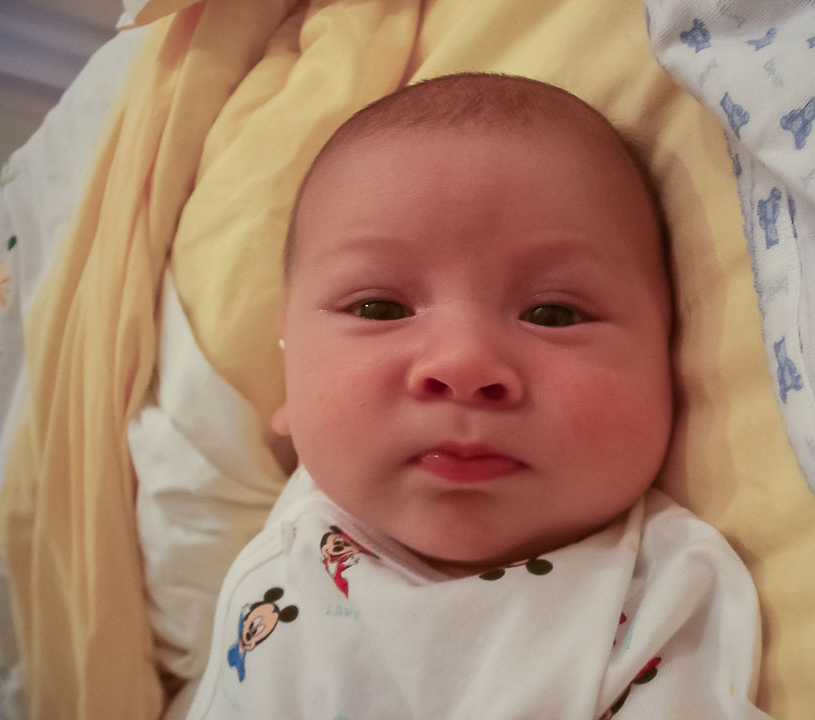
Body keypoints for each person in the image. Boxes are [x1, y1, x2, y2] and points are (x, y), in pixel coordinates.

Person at [187, 73, 771, 719]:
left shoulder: (666, 595)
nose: (462, 364)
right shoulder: (293, 532)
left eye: (553, 314)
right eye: (379, 308)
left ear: (671, 353)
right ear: (288, 367)